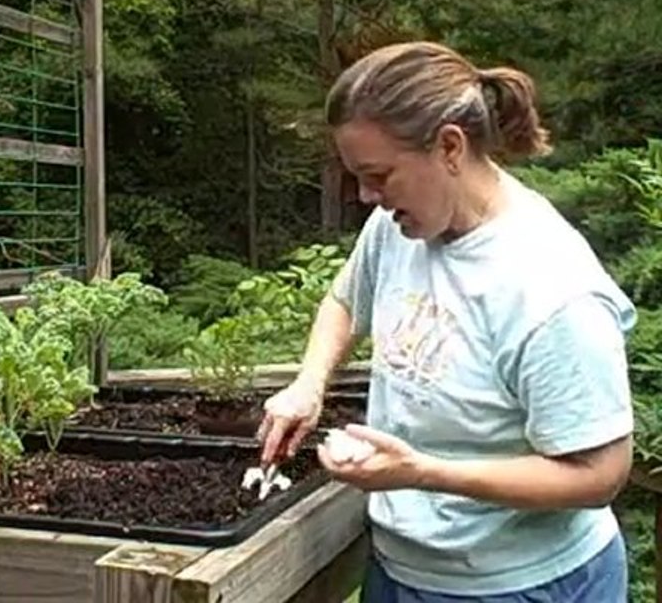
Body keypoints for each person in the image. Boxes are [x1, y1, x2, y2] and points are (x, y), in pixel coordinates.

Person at [257, 41, 635, 602]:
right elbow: (343, 300)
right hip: (401, 570)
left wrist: (421, 472)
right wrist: (308, 385)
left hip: (526, 585)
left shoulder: (552, 290)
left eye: (379, 175)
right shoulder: (398, 226)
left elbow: (600, 474)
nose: (367, 196)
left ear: (450, 147)